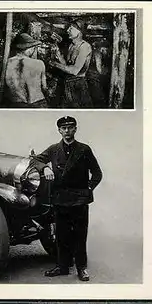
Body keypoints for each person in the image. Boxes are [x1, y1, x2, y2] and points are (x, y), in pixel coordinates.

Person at [31, 116, 102, 281]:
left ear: (75, 129)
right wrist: (45, 167)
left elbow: (97, 173)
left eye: (70, 127)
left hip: (79, 200)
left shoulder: (84, 149)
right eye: (63, 128)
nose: (67, 131)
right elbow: (35, 160)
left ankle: (81, 268)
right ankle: (62, 267)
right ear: (59, 130)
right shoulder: (54, 149)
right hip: (60, 199)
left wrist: (88, 189)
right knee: (61, 235)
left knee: (79, 235)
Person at [49, 19, 94, 108]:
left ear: (80, 32)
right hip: (67, 83)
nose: (67, 30)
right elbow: (66, 66)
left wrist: (54, 64)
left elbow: (74, 71)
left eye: (71, 28)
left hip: (78, 85)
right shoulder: (72, 45)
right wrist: (58, 54)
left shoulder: (85, 47)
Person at [4, 33, 50, 108]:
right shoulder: (39, 63)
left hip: (17, 104)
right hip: (38, 102)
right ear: (30, 48)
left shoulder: (8, 62)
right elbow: (44, 87)